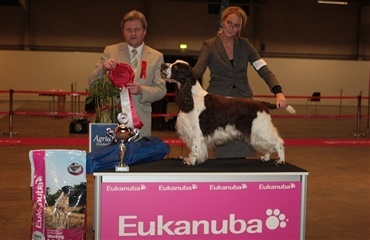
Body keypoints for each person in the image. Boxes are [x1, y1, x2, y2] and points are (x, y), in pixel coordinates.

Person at [192, 6, 287, 159]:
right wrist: (180, 75)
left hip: (243, 103)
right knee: (223, 153)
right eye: (229, 23)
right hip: (219, 103)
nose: (232, 28)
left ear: (241, 28)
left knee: (243, 151)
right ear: (222, 21)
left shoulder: (245, 45)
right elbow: (197, 70)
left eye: (237, 26)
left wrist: (278, 91)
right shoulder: (209, 45)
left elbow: (263, 69)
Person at [88, 10, 166, 139]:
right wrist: (102, 69)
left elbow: (161, 90)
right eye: (128, 30)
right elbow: (92, 82)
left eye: (137, 29)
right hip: (111, 120)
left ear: (145, 31)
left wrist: (141, 90)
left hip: (141, 123)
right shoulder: (110, 51)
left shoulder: (156, 57)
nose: (133, 33)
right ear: (123, 32)